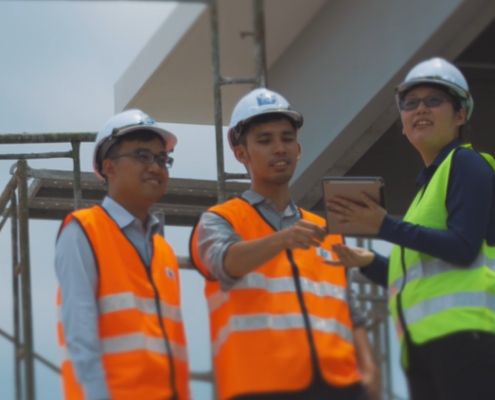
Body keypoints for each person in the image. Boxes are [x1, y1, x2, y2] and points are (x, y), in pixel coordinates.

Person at [189, 88, 379, 400]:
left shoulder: (326, 230)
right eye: (265, 140)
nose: (279, 148)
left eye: (287, 139)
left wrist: (370, 370)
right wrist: (283, 239)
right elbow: (224, 262)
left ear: (298, 149)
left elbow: (348, 307)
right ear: (241, 154)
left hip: (341, 386)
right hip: (261, 387)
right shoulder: (220, 221)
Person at [328, 58, 495, 400]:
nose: (420, 108)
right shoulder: (426, 191)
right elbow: (422, 276)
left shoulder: (467, 163)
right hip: (424, 349)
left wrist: (384, 226)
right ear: (403, 125)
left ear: (460, 115)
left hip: (468, 339)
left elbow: (463, 248)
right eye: (410, 103)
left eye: (434, 100)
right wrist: (369, 262)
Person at [55, 109, 190, 400]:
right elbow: (80, 336)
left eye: (162, 159)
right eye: (143, 156)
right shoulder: (84, 231)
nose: (156, 167)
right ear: (110, 168)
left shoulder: (163, 251)